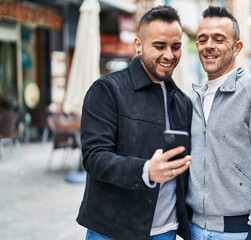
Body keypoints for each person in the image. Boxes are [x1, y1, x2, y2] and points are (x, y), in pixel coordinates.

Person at [76, 5, 193, 240]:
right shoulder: (107, 90)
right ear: (138, 45)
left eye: (176, 46)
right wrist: (146, 170)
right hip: (112, 231)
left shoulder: (183, 102)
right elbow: (94, 157)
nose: (169, 55)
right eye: (159, 46)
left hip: (166, 231)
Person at [186, 6, 251, 240]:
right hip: (193, 230)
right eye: (202, 39)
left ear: (237, 47)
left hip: (237, 232)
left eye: (219, 39)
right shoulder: (192, 99)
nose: (209, 45)